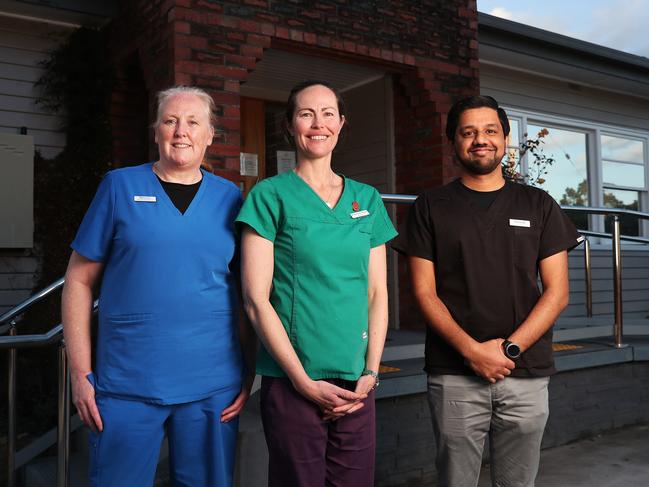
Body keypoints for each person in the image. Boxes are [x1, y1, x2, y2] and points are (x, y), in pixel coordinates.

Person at [61, 86, 255, 486]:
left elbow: (244, 293)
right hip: (127, 384)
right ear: (156, 132)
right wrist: (80, 374)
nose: (180, 131)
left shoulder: (231, 198)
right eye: (170, 120)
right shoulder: (118, 187)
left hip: (212, 385)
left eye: (192, 122)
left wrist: (248, 371)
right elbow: (78, 282)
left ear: (209, 136)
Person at [394, 95, 583, 487]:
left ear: (505, 138)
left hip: (524, 371)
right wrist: (473, 352)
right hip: (454, 374)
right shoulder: (431, 206)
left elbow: (557, 292)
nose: (480, 139)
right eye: (468, 132)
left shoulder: (539, 204)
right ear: (454, 143)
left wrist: (508, 350)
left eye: (490, 130)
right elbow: (424, 293)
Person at [236, 80, 397, 486]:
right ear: (289, 125)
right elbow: (256, 300)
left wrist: (371, 373)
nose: (317, 123)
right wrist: (302, 381)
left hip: (357, 381)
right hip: (294, 378)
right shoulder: (269, 196)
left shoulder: (368, 199)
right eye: (306, 113)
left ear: (341, 123)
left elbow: (377, 293)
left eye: (327, 113)